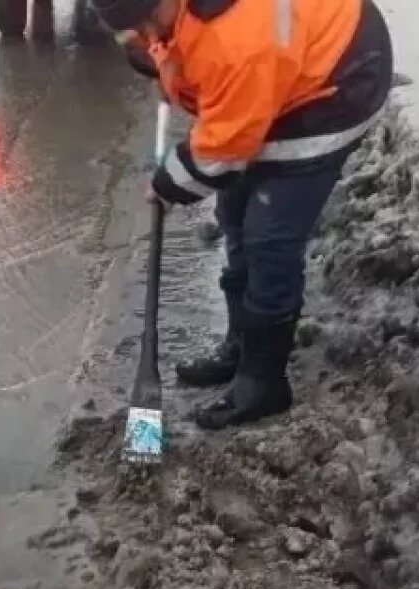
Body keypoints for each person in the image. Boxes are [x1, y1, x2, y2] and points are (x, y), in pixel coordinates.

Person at [92, 0, 393, 429]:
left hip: (337, 81)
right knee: (234, 208)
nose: (140, 32)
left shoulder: (236, 42)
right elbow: (171, 43)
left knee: (269, 236)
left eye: (144, 21)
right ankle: (241, 342)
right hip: (277, 69)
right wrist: (161, 57)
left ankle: (263, 382)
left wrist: (167, 184)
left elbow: (222, 151)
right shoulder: (174, 19)